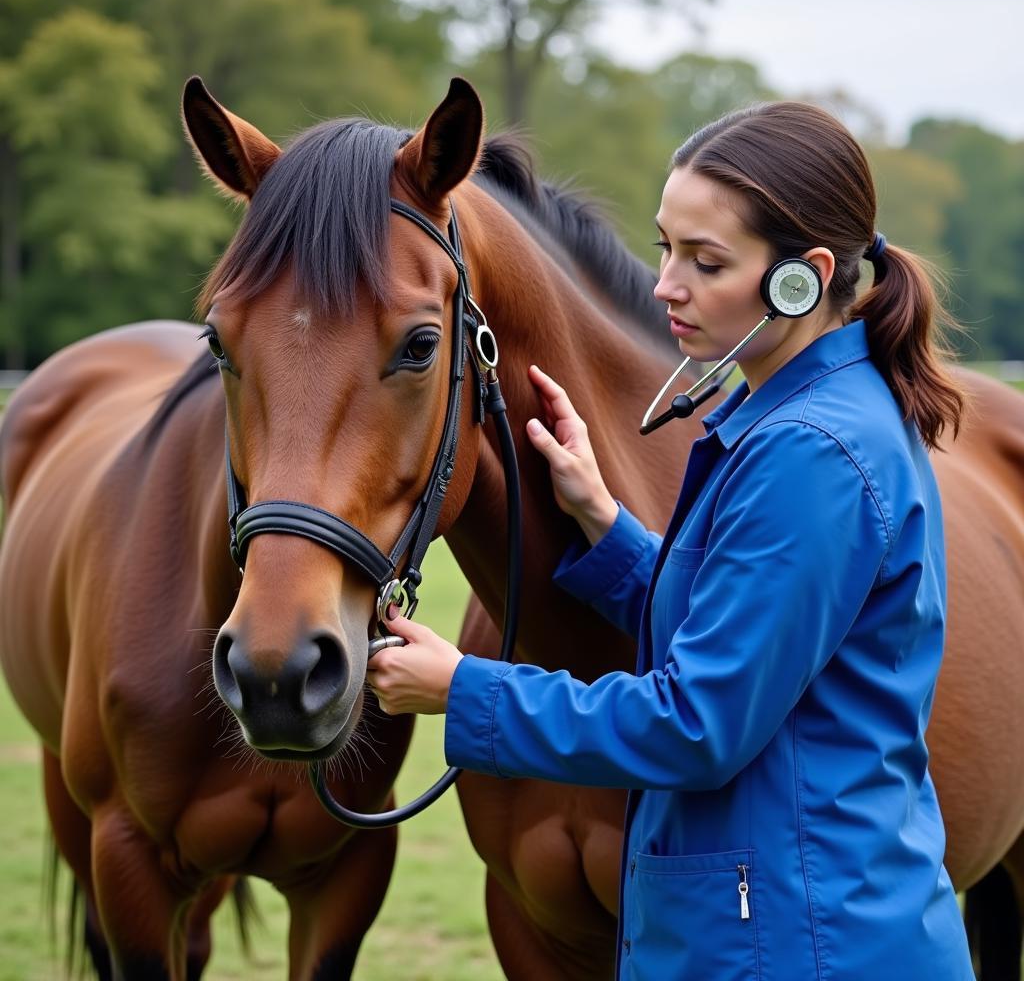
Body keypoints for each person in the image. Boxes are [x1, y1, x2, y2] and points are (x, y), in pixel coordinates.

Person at [366, 101, 974, 979]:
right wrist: (605, 526)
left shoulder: (812, 452)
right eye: (666, 248)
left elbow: (696, 725)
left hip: (797, 944)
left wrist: (464, 690)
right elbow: (740, 623)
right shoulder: (796, 415)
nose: (666, 286)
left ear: (801, 279)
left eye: (707, 261)